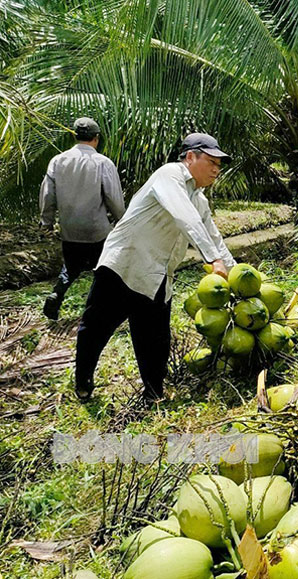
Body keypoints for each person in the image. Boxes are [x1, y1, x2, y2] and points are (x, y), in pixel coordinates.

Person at [74, 133, 236, 402]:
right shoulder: (169, 175)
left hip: (156, 274)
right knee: (96, 329)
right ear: (190, 157)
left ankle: (154, 394)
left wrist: (236, 273)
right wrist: (212, 260)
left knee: (156, 340)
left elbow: (214, 236)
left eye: (220, 164)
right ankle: (83, 382)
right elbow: (185, 217)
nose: (216, 168)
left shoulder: (200, 200)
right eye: (211, 161)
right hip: (124, 265)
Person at [39, 117, 125, 321]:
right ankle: (100, 311)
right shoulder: (103, 163)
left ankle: (56, 295)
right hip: (97, 231)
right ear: (96, 138)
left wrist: (47, 222)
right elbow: (114, 198)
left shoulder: (58, 161)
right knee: (104, 270)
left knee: (70, 267)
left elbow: (47, 195)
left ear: (74, 136)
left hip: (70, 230)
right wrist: (122, 221)